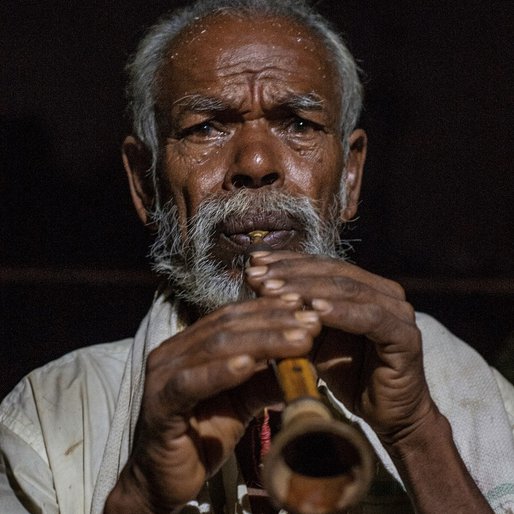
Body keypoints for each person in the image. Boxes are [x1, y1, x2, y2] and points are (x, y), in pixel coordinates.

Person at [1, 1, 513, 513]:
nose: (256, 164)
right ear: (144, 184)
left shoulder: (459, 383)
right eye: (205, 127)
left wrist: (417, 433)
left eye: (298, 124)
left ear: (350, 177)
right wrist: (139, 496)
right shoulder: (46, 419)